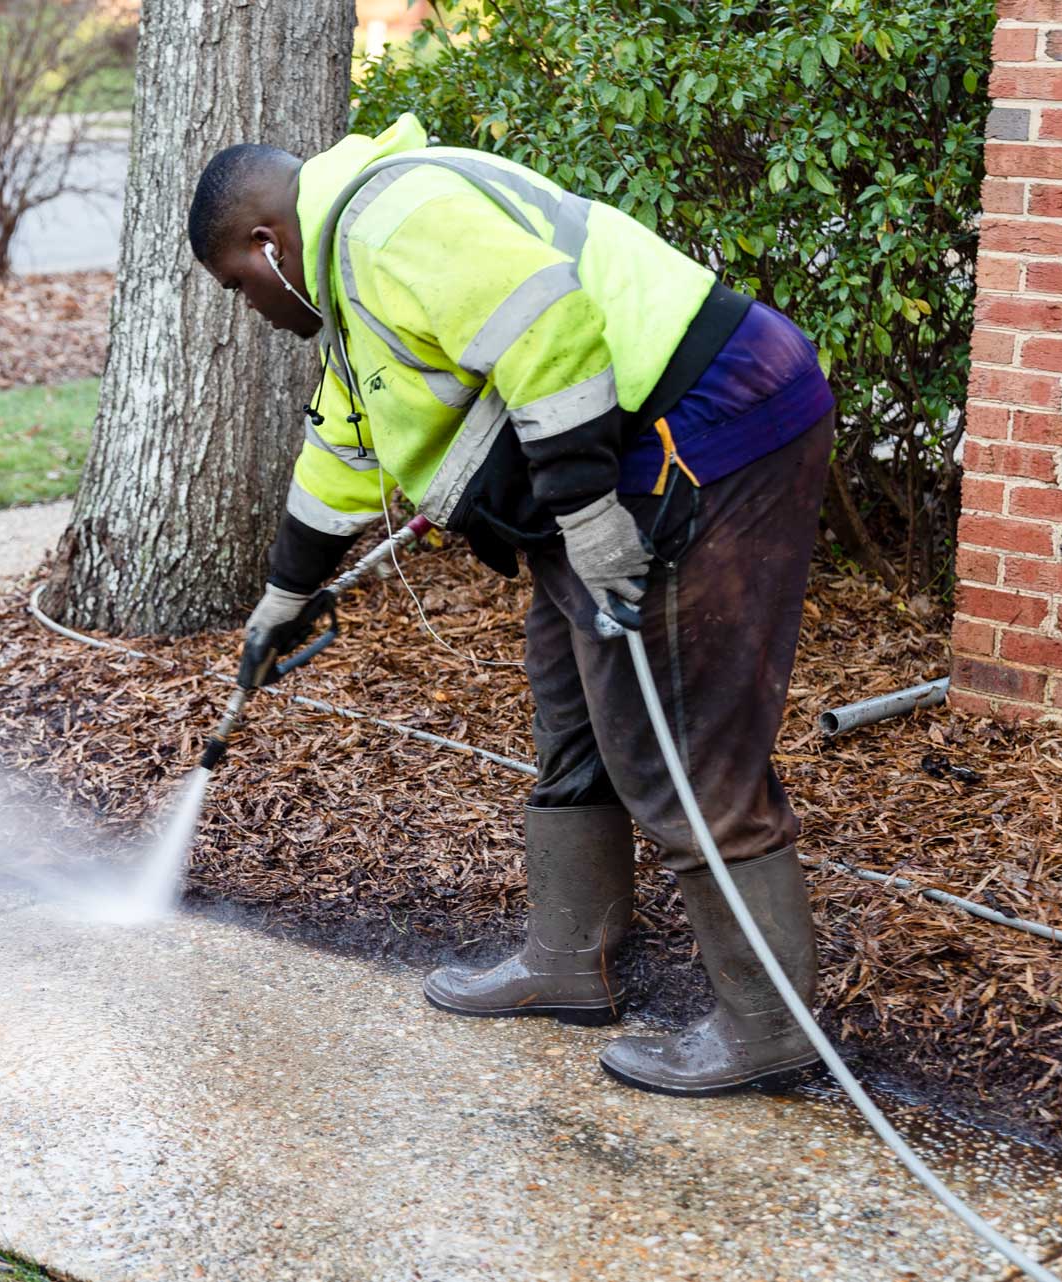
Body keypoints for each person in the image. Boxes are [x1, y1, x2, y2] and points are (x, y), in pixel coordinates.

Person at [186, 113, 836, 1097]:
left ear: (266, 244)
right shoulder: (355, 294)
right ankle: (573, 957)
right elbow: (341, 459)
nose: (248, 308)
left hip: (701, 429)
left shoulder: (390, 223)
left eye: (236, 286)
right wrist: (284, 598)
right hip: (630, 459)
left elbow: (549, 324)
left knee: (678, 745)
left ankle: (770, 1026)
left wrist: (585, 509)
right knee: (572, 707)